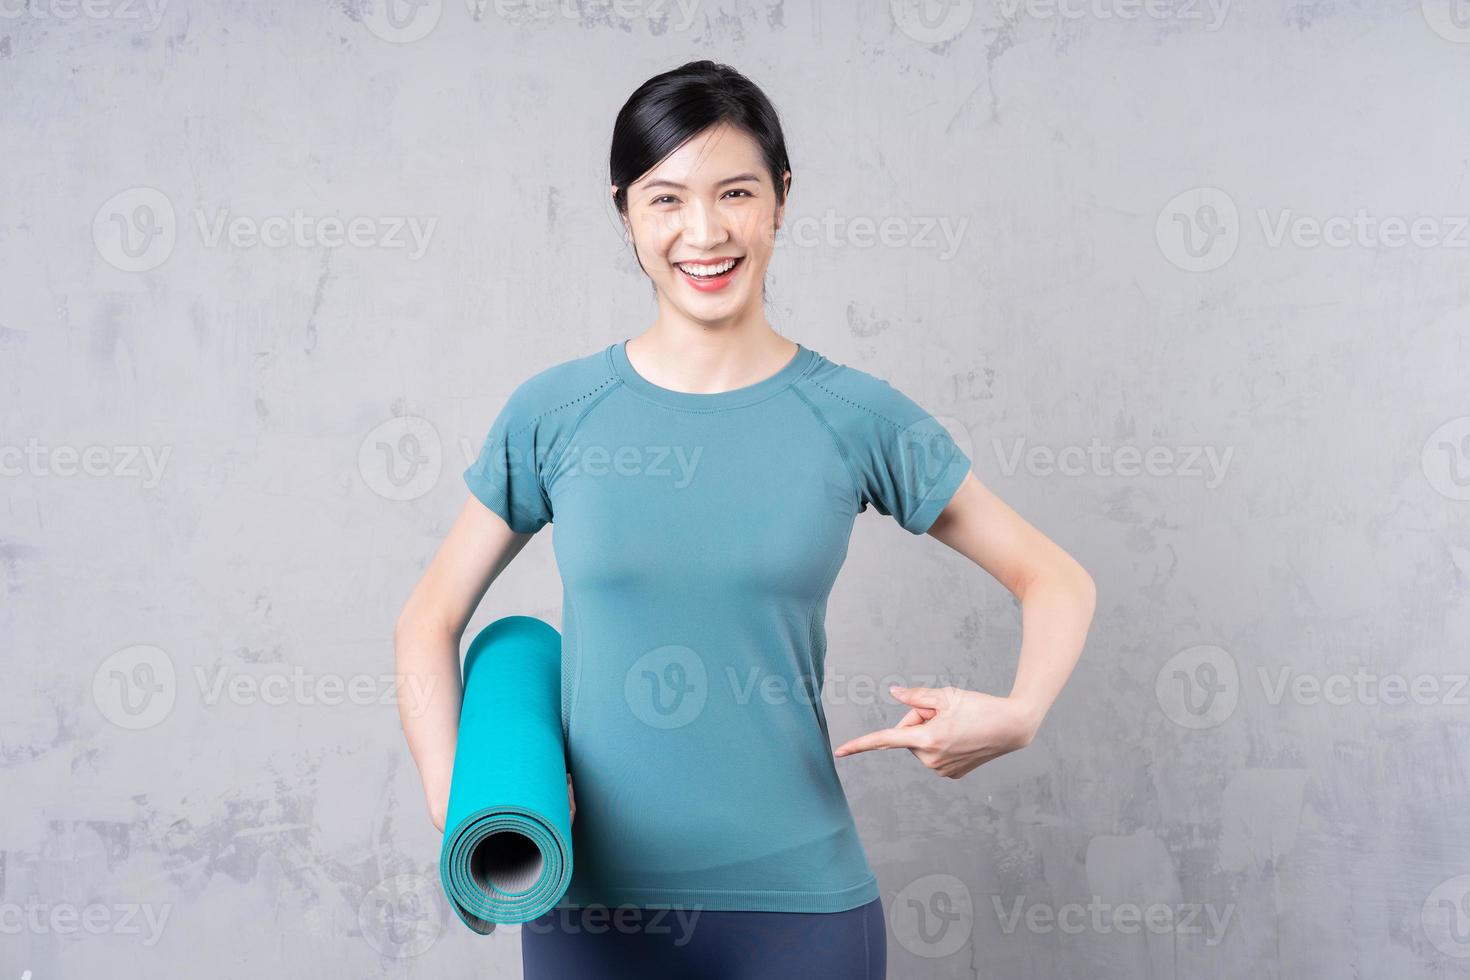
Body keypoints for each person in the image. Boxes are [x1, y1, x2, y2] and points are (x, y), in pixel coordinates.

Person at [394, 59, 1096, 980]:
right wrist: (469, 812)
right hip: (592, 916)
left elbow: (1057, 579)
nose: (704, 231)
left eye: (735, 192)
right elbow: (429, 619)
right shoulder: (556, 412)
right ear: (625, 213)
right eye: (665, 199)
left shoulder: (856, 416)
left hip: (802, 913)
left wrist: (1021, 714)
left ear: (781, 200)